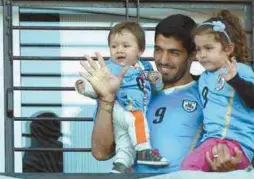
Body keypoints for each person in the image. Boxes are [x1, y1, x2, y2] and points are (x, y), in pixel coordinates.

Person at [80, 14, 244, 174]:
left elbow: (229, 140)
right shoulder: (130, 90)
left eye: (174, 52)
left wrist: (228, 159)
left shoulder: (207, 92)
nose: (163, 60)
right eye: (158, 50)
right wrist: (107, 100)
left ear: (193, 54)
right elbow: (101, 153)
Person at [75, 21, 168, 173]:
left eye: (126, 46)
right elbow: (99, 88)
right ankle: (144, 150)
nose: (119, 50)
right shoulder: (109, 68)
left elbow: (156, 88)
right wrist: (85, 88)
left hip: (128, 111)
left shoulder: (144, 66)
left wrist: (156, 80)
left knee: (124, 140)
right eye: (114, 46)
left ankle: (121, 165)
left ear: (140, 50)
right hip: (122, 107)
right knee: (137, 118)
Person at [180, 10, 254, 171]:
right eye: (198, 49)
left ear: (228, 49)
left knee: (189, 167)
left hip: (235, 142)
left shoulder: (238, 70)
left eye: (208, 48)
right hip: (213, 141)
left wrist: (236, 81)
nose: (201, 55)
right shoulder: (205, 77)